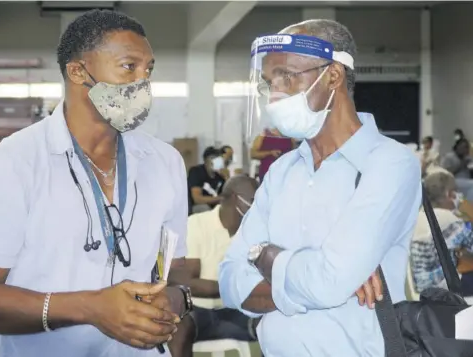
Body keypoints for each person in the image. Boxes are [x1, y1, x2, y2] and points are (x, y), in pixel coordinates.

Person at [0, 10, 192, 357]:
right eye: (129, 67)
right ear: (78, 71)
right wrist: (90, 307)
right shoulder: (9, 166)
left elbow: (175, 267)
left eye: (148, 70)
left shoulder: (165, 163)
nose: (144, 83)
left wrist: (173, 299)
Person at [219, 19, 421, 356]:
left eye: (287, 76)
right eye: (271, 82)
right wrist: (311, 276)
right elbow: (229, 280)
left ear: (333, 75)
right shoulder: (282, 171)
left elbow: (329, 281)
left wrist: (268, 258)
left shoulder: (388, 163)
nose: (277, 93)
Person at [167, 176, 259, 357]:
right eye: (253, 200)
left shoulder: (253, 232)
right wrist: (236, 286)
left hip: (237, 311)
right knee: (178, 329)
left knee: (274, 325)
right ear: (235, 197)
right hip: (197, 311)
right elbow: (188, 283)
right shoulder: (197, 224)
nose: (257, 206)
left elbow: (257, 281)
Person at [411, 172, 473, 296]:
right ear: (449, 194)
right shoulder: (450, 220)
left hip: (423, 291)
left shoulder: (419, 216)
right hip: (446, 290)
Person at [187, 147, 225, 215]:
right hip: (195, 207)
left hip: (213, 208)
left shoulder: (220, 178)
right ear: (205, 160)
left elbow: (225, 196)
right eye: (213, 158)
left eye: (218, 158)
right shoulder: (196, 172)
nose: (216, 161)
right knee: (205, 208)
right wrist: (219, 199)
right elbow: (197, 199)